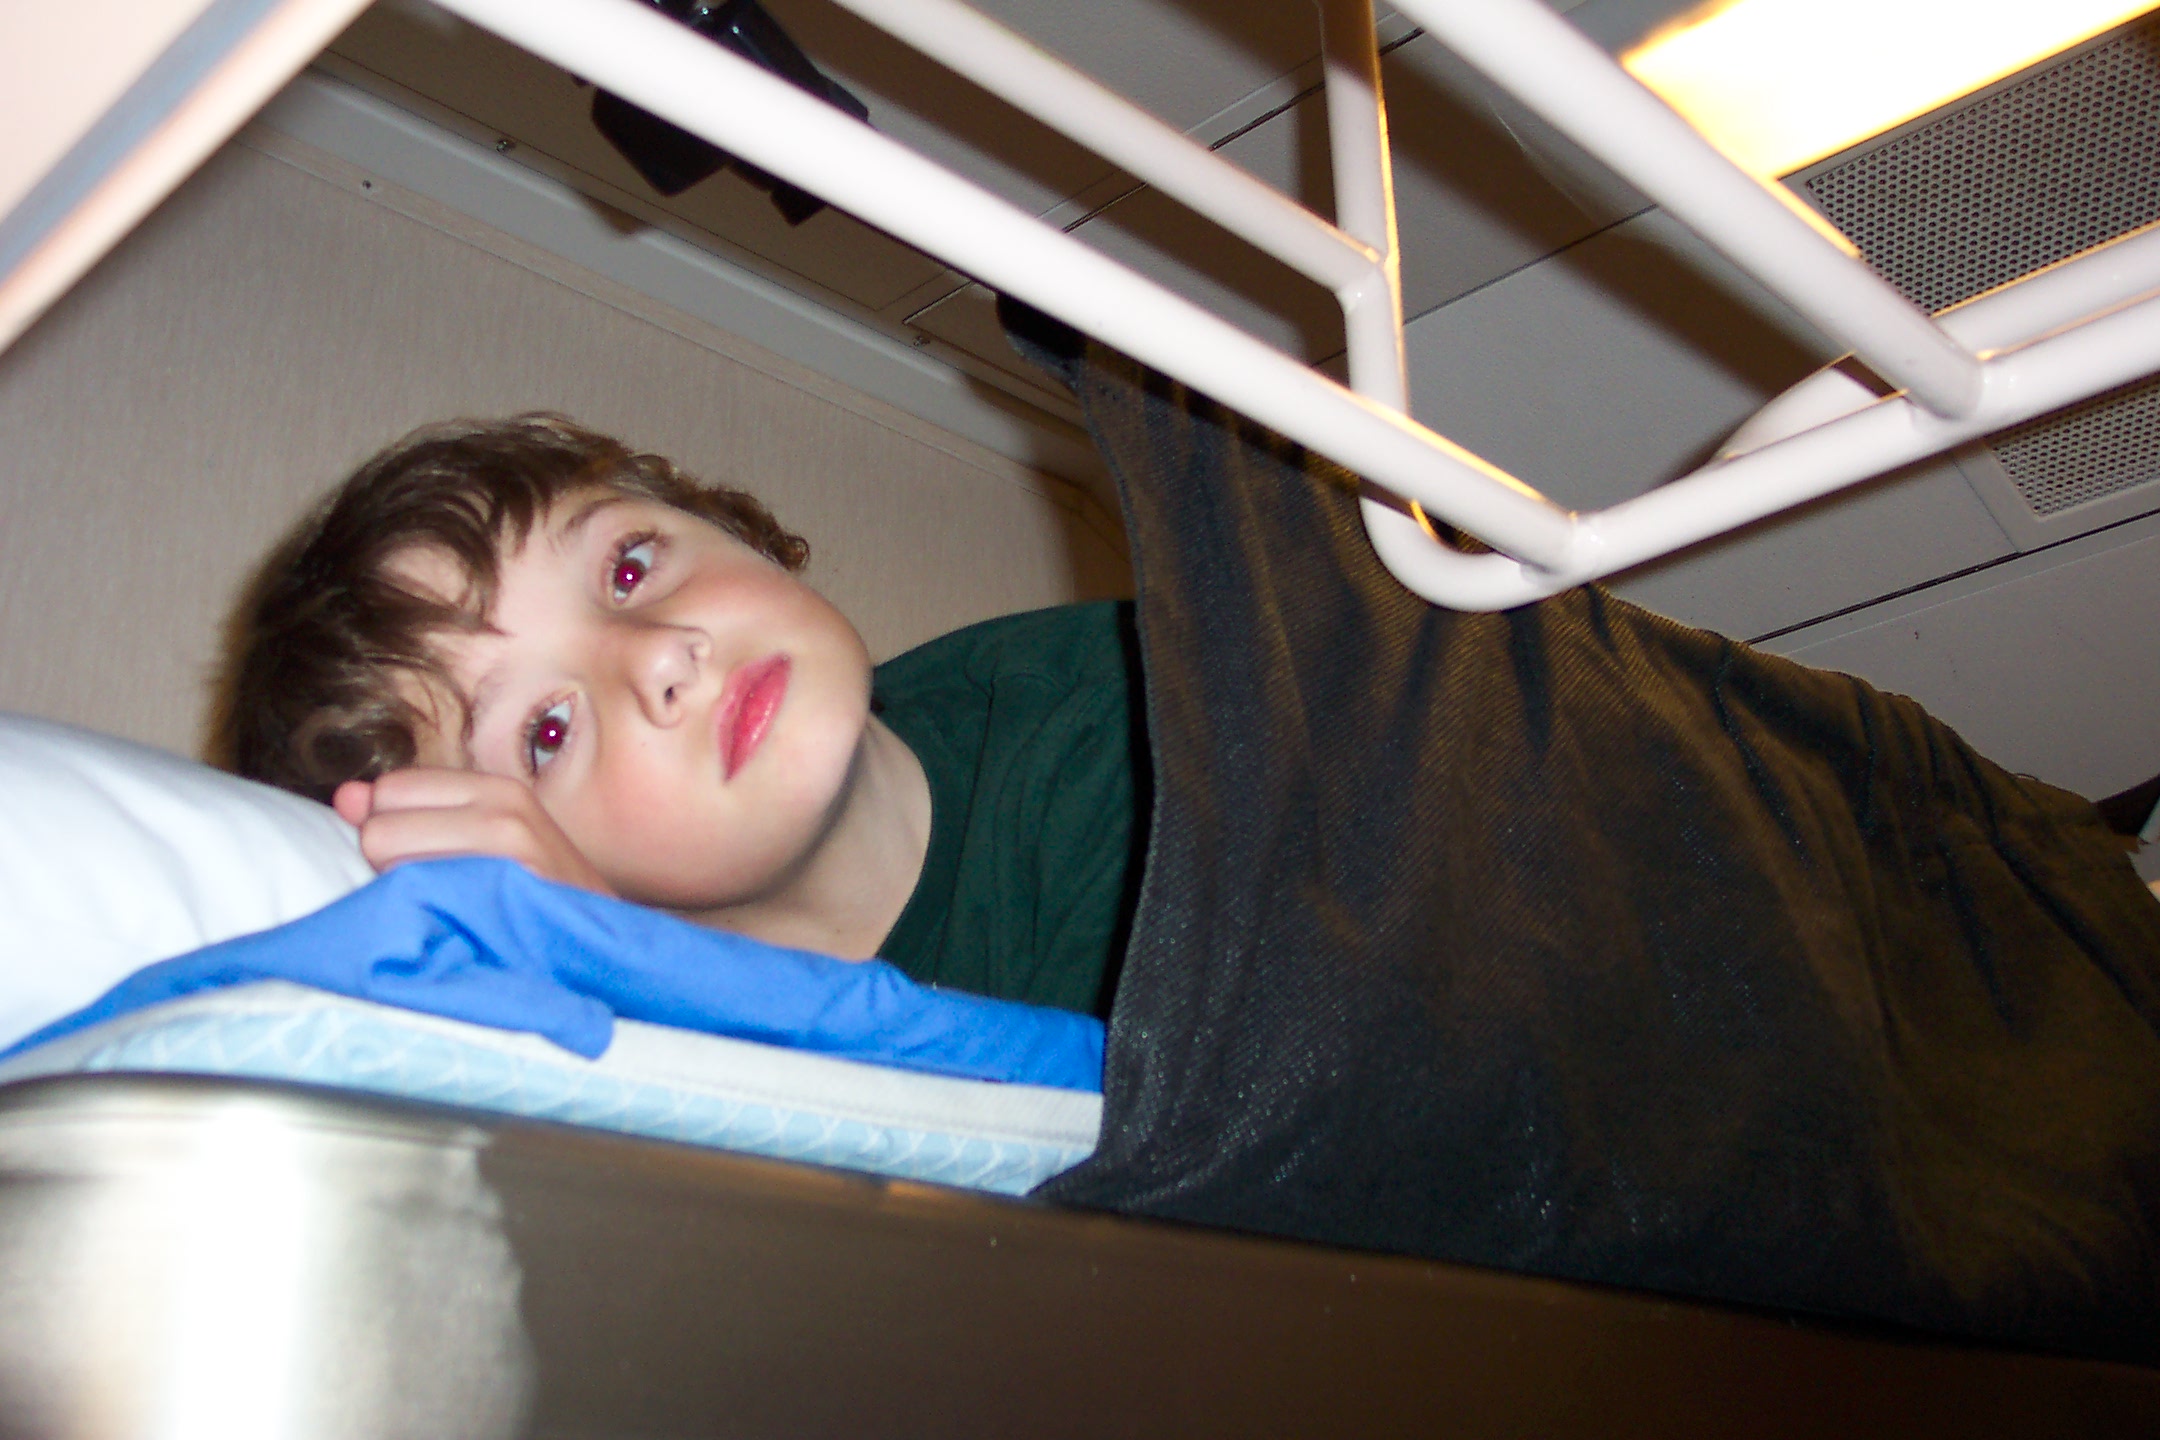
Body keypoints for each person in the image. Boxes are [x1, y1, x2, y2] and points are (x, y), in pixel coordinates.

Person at [219, 414, 1143, 1019]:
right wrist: (607, 955)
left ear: (726, 529)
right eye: (548, 732)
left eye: (627, 569)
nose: (659, 654)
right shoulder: (667, 1090)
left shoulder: (1128, 730)